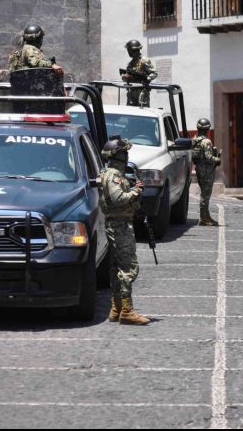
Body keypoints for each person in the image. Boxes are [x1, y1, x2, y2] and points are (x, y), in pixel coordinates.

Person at [99, 136, 149, 325]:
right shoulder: (113, 176)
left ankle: (116, 307)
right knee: (128, 267)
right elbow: (119, 198)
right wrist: (135, 192)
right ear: (118, 155)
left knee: (116, 267)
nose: (127, 155)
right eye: (124, 152)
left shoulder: (109, 174)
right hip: (119, 226)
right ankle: (127, 311)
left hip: (117, 223)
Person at [192, 118, 221, 226]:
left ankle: (206, 216)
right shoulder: (206, 141)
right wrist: (217, 160)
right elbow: (209, 157)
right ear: (207, 129)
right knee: (205, 194)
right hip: (207, 170)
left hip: (198, 168)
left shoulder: (195, 139)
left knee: (204, 193)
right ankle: (204, 218)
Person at [121, 39, 157, 107]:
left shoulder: (144, 60)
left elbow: (154, 73)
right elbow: (128, 76)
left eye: (129, 50)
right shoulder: (130, 63)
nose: (128, 52)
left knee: (143, 112)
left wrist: (146, 79)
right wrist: (126, 77)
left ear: (135, 50)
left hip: (142, 91)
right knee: (131, 113)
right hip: (132, 91)